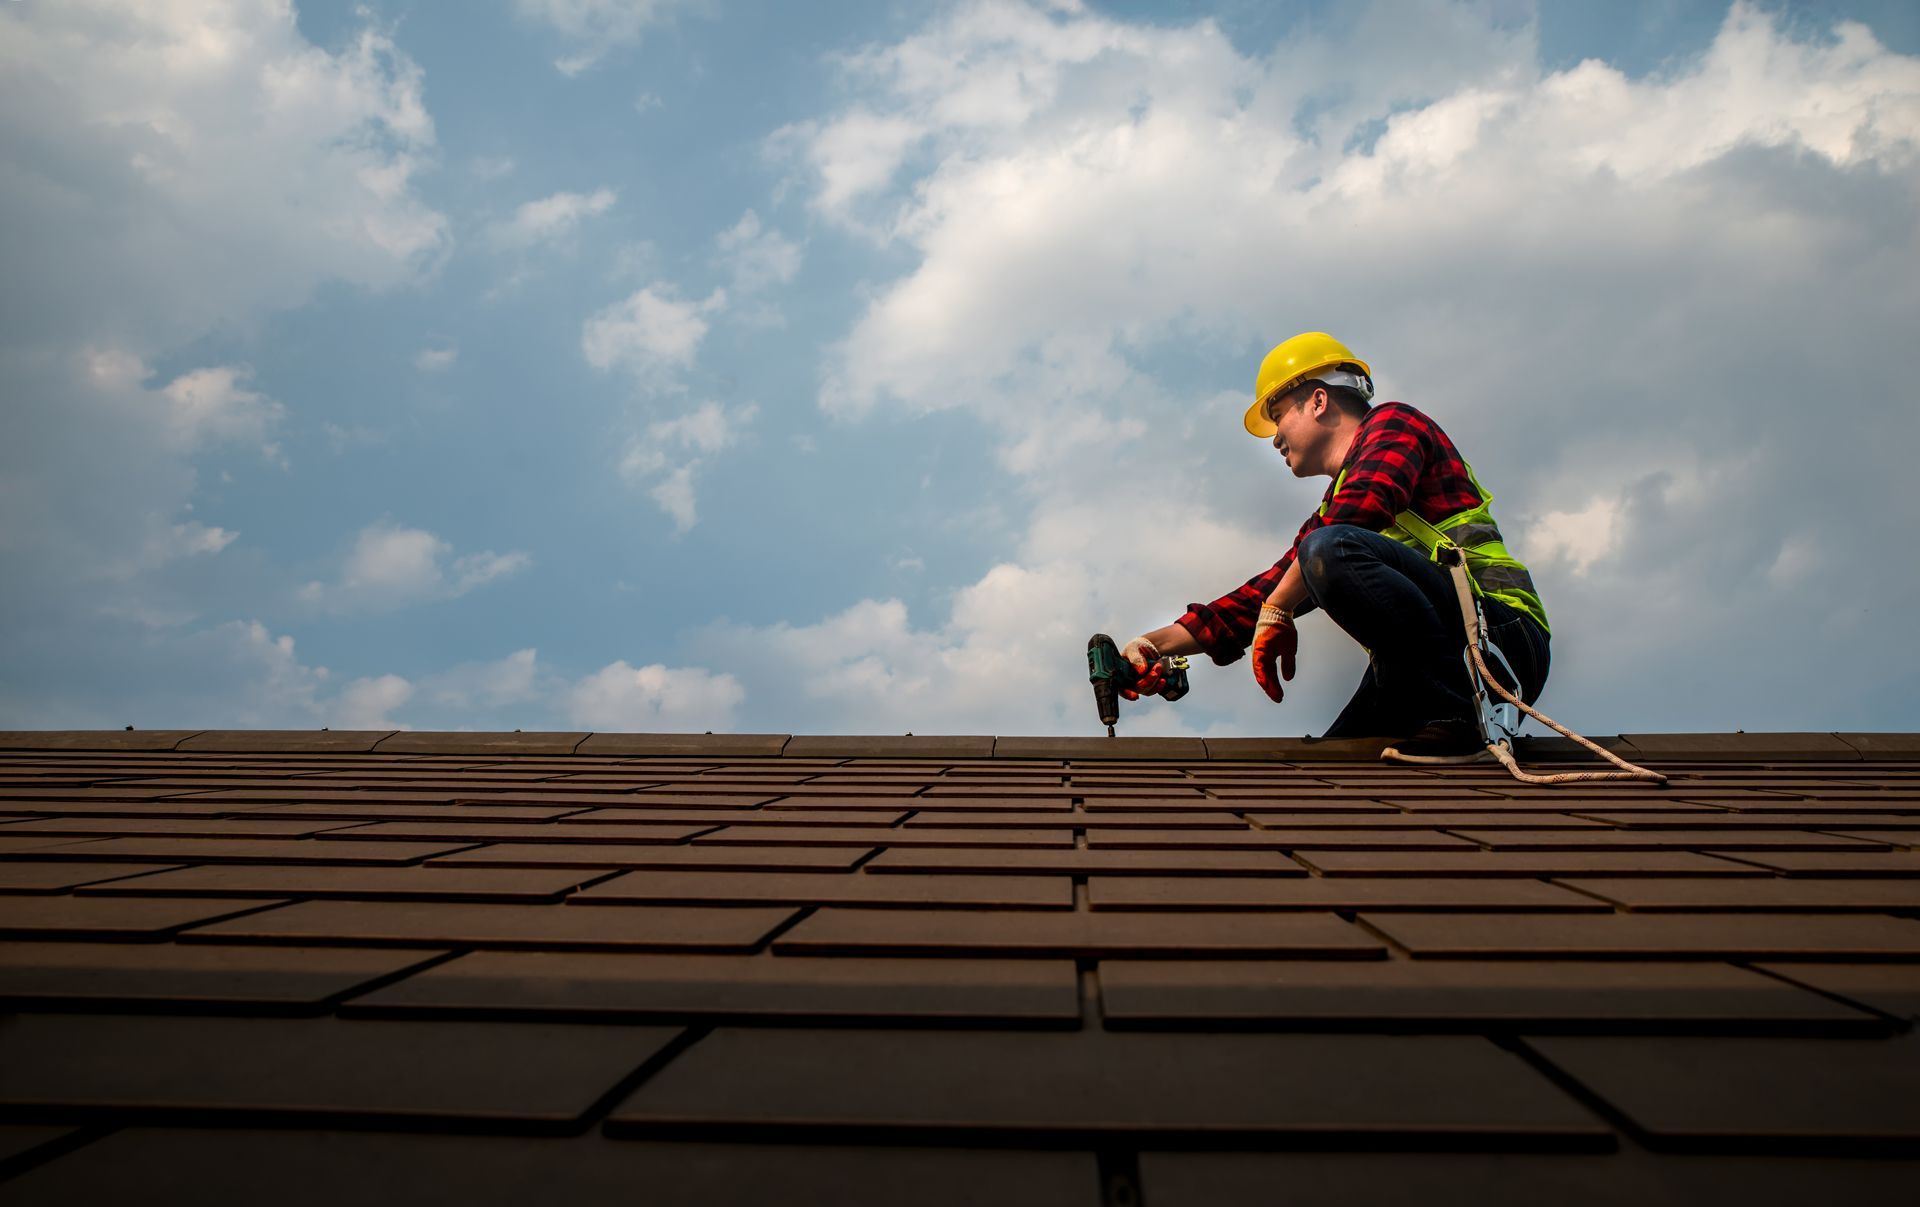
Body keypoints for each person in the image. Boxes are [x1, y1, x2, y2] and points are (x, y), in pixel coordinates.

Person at [1121, 332, 1551, 764]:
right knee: (1334, 768)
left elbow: (1362, 509)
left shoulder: (1396, 423)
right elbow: (1265, 592)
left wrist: (1280, 607)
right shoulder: (1332, 515)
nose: (1275, 440)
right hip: (1432, 664)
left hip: (1499, 640)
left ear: (1319, 401)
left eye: (1278, 416)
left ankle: (1459, 722)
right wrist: (1152, 645)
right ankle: (1445, 728)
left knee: (1326, 550)